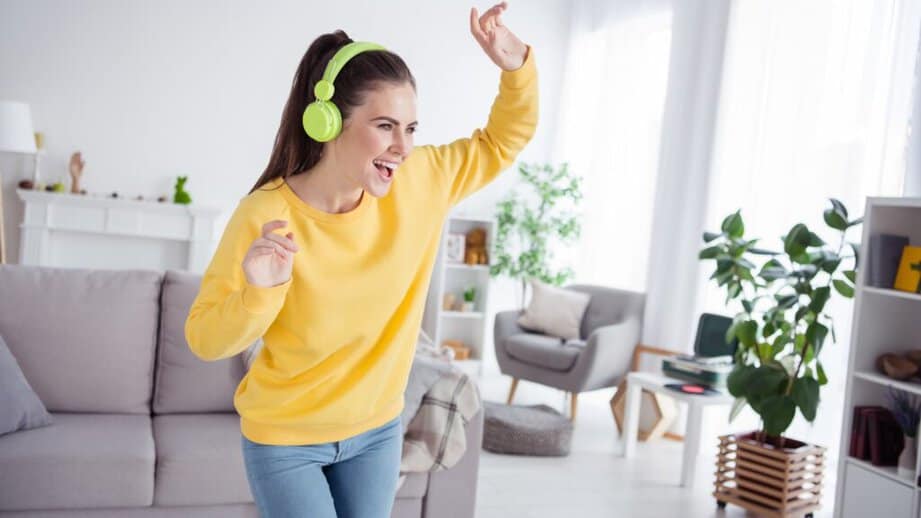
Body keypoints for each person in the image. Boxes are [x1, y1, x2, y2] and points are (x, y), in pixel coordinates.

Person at [184, 2, 537, 517]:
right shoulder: (267, 213)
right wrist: (259, 294)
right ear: (328, 123)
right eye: (386, 126)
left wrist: (516, 68)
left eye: (412, 129)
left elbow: (501, 142)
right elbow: (205, 339)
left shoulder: (420, 184)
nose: (403, 147)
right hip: (285, 440)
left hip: (377, 432)